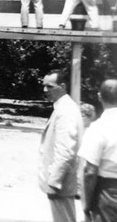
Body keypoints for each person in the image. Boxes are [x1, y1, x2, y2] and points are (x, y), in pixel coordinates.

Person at [39, 69, 84, 222]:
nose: (45, 90)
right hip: (62, 184)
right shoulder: (63, 107)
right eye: (44, 86)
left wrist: (54, 182)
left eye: (50, 86)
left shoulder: (66, 111)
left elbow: (65, 150)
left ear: (63, 87)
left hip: (61, 185)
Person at [78, 79, 117, 222]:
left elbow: (89, 171)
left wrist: (86, 205)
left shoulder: (98, 127)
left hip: (108, 193)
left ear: (99, 96)